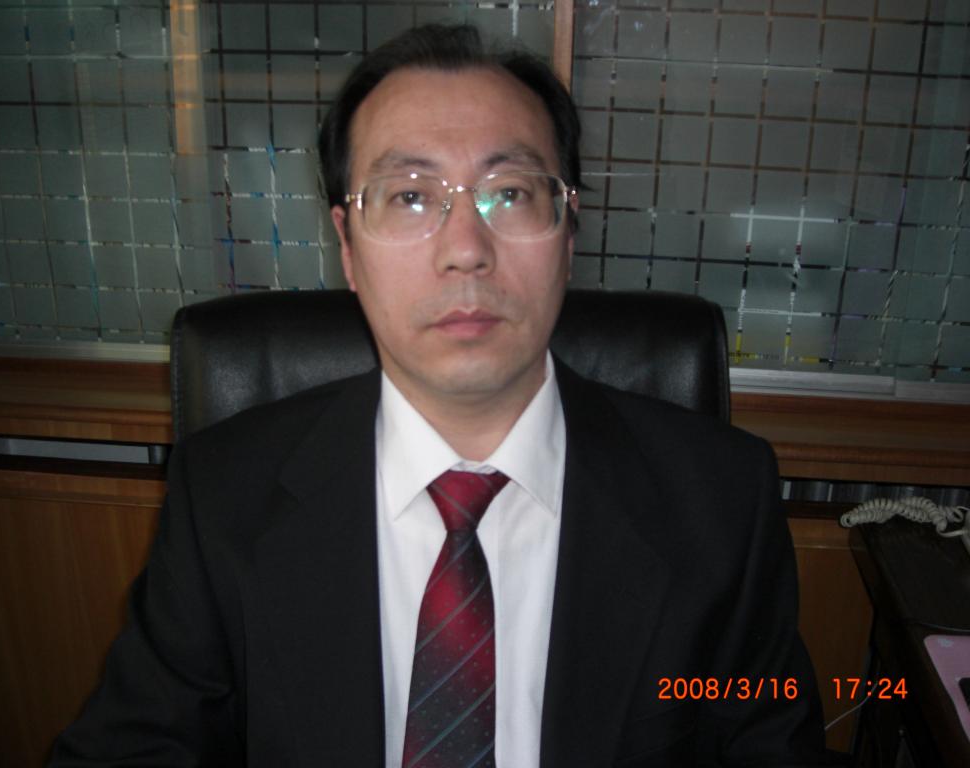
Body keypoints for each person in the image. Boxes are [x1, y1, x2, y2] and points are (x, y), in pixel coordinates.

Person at [52, 24, 832, 767]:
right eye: (410, 197)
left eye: (510, 193)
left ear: (569, 232)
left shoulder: (721, 502)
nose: (465, 250)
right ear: (346, 247)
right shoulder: (223, 498)